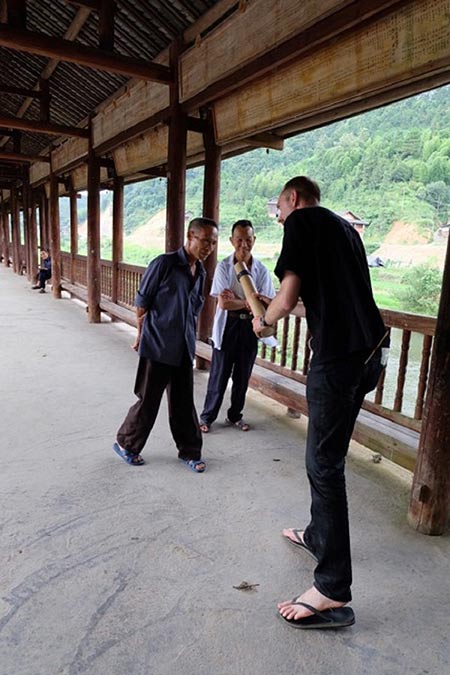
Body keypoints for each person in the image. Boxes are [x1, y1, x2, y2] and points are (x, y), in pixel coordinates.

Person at [253, 176, 389, 629]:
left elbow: (288, 297)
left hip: (339, 359)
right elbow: (311, 302)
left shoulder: (303, 222)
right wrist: (276, 310)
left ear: (292, 199)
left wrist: (263, 322)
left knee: (324, 465)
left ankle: (332, 589)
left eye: (279, 210)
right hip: (371, 354)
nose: (279, 219)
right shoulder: (345, 229)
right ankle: (318, 535)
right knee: (326, 460)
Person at [113, 217, 218, 472]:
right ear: (190, 236)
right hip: (158, 345)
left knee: (183, 402)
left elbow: (194, 310)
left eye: (213, 242)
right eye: (205, 240)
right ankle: (126, 444)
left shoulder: (201, 271)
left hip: (183, 347)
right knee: (148, 400)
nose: (209, 247)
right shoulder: (165, 263)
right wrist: (140, 336)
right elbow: (142, 303)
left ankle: (190, 452)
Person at [199, 220, 275, 433]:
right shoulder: (224, 266)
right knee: (219, 375)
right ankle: (207, 416)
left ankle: (235, 416)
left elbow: (268, 303)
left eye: (248, 240)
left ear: (254, 240)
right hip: (227, 327)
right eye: (239, 240)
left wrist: (242, 301)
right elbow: (223, 303)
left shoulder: (261, 270)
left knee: (243, 376)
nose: (244, 244)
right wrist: (252, 302)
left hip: (250, 328)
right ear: (232, 241)